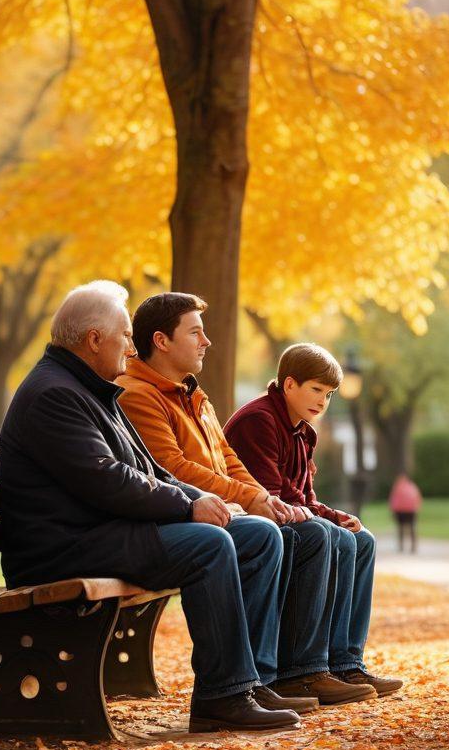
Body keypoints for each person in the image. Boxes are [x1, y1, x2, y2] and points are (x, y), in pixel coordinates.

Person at [0, 280, 300, 734]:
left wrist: (202, 497)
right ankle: (223, 694)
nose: (131, 349)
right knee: (209, 545)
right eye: (124, 336)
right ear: (93, 340)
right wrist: (187, 508)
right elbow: (106, 480)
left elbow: (149, 471)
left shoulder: (93, 388)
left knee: (258, 536)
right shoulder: (55, 394)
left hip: (102, 532)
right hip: (64, 546)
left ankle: (251, 681)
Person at [117, 292, 376, 709]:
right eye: (196, 332)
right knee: (298, 535)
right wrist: (256, 501)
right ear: (162, 340)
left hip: (220, 510)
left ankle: (319, 666)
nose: (207, 342)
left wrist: (256, 497)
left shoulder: (194, 397)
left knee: (335, 536)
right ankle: (286, 673)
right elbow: (173, 468)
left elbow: (229, 461)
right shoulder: (139, 394)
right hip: (182, 517)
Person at [225, 343, 403, 698]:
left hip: (286, 516)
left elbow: (304, 499)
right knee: (324, 534)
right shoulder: (259, 420)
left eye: (329, 394)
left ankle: (346, 663)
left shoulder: (305, 433)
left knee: (361, 539)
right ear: (289, 385)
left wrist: (340, 517)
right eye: (316, 390)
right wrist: (329, 520)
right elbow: (271, 494)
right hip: (252, 523)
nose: (322, 401)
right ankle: (304, 669)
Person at [388, 473, 422, 553]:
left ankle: (401, 546)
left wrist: (392, 510)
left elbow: (393, 499)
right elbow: (418, 498)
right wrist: (417, 508)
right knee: (412, 528)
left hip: (400, 510)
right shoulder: (412, 486)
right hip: (411, 510)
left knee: (401, 528)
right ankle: (413, 547)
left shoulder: (397, 487)